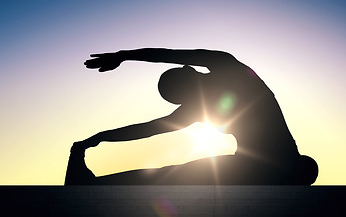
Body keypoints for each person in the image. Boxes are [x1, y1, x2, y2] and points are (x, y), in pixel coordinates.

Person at [65, 48, 318, 185]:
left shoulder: (228, 67)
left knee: (175, 175)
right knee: (174, 173)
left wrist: (124, 55)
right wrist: (98, 138)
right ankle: (96, 186)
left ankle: (96, 186)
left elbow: (169, 54)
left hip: (277, 166)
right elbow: (149, 129)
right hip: (268, 165)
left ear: (190, 72)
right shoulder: (207, 95)